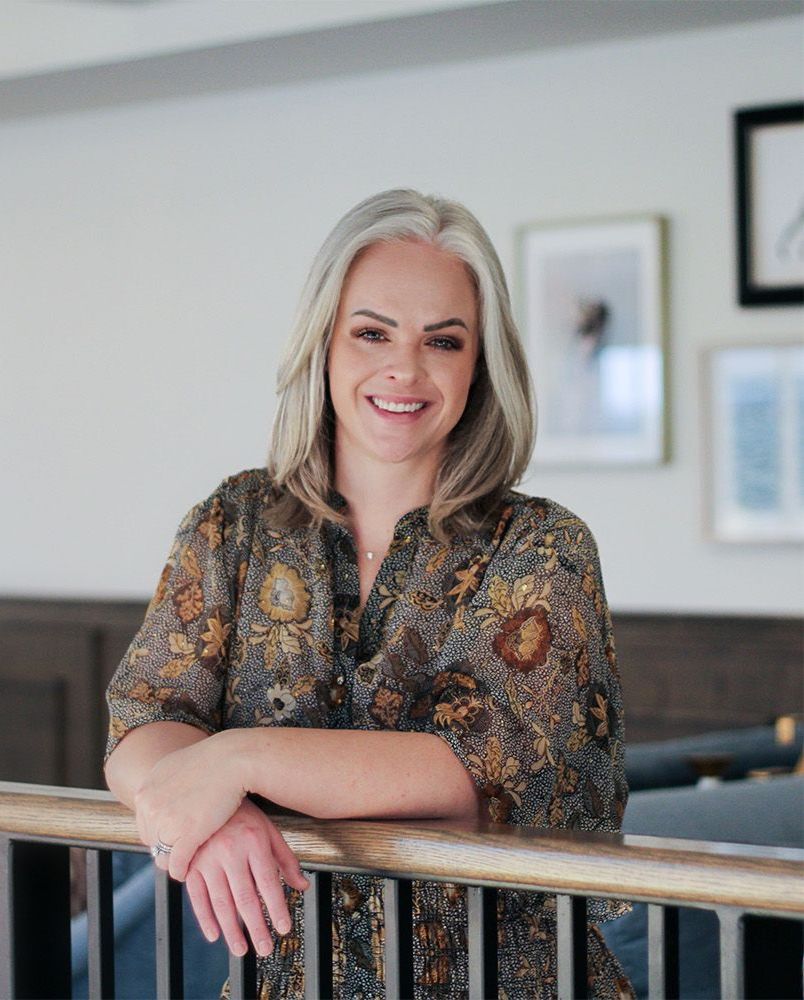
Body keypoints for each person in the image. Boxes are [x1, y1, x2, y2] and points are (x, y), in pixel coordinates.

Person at [103, 188, 635, 999]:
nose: (405, 369)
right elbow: (143, 718)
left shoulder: (544, 547)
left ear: (479, 365)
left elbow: (479, 767)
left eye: (443, 341)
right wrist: (217, 807)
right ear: (323, 342)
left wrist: (238, 760)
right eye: (372, 332)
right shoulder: (232, 523)